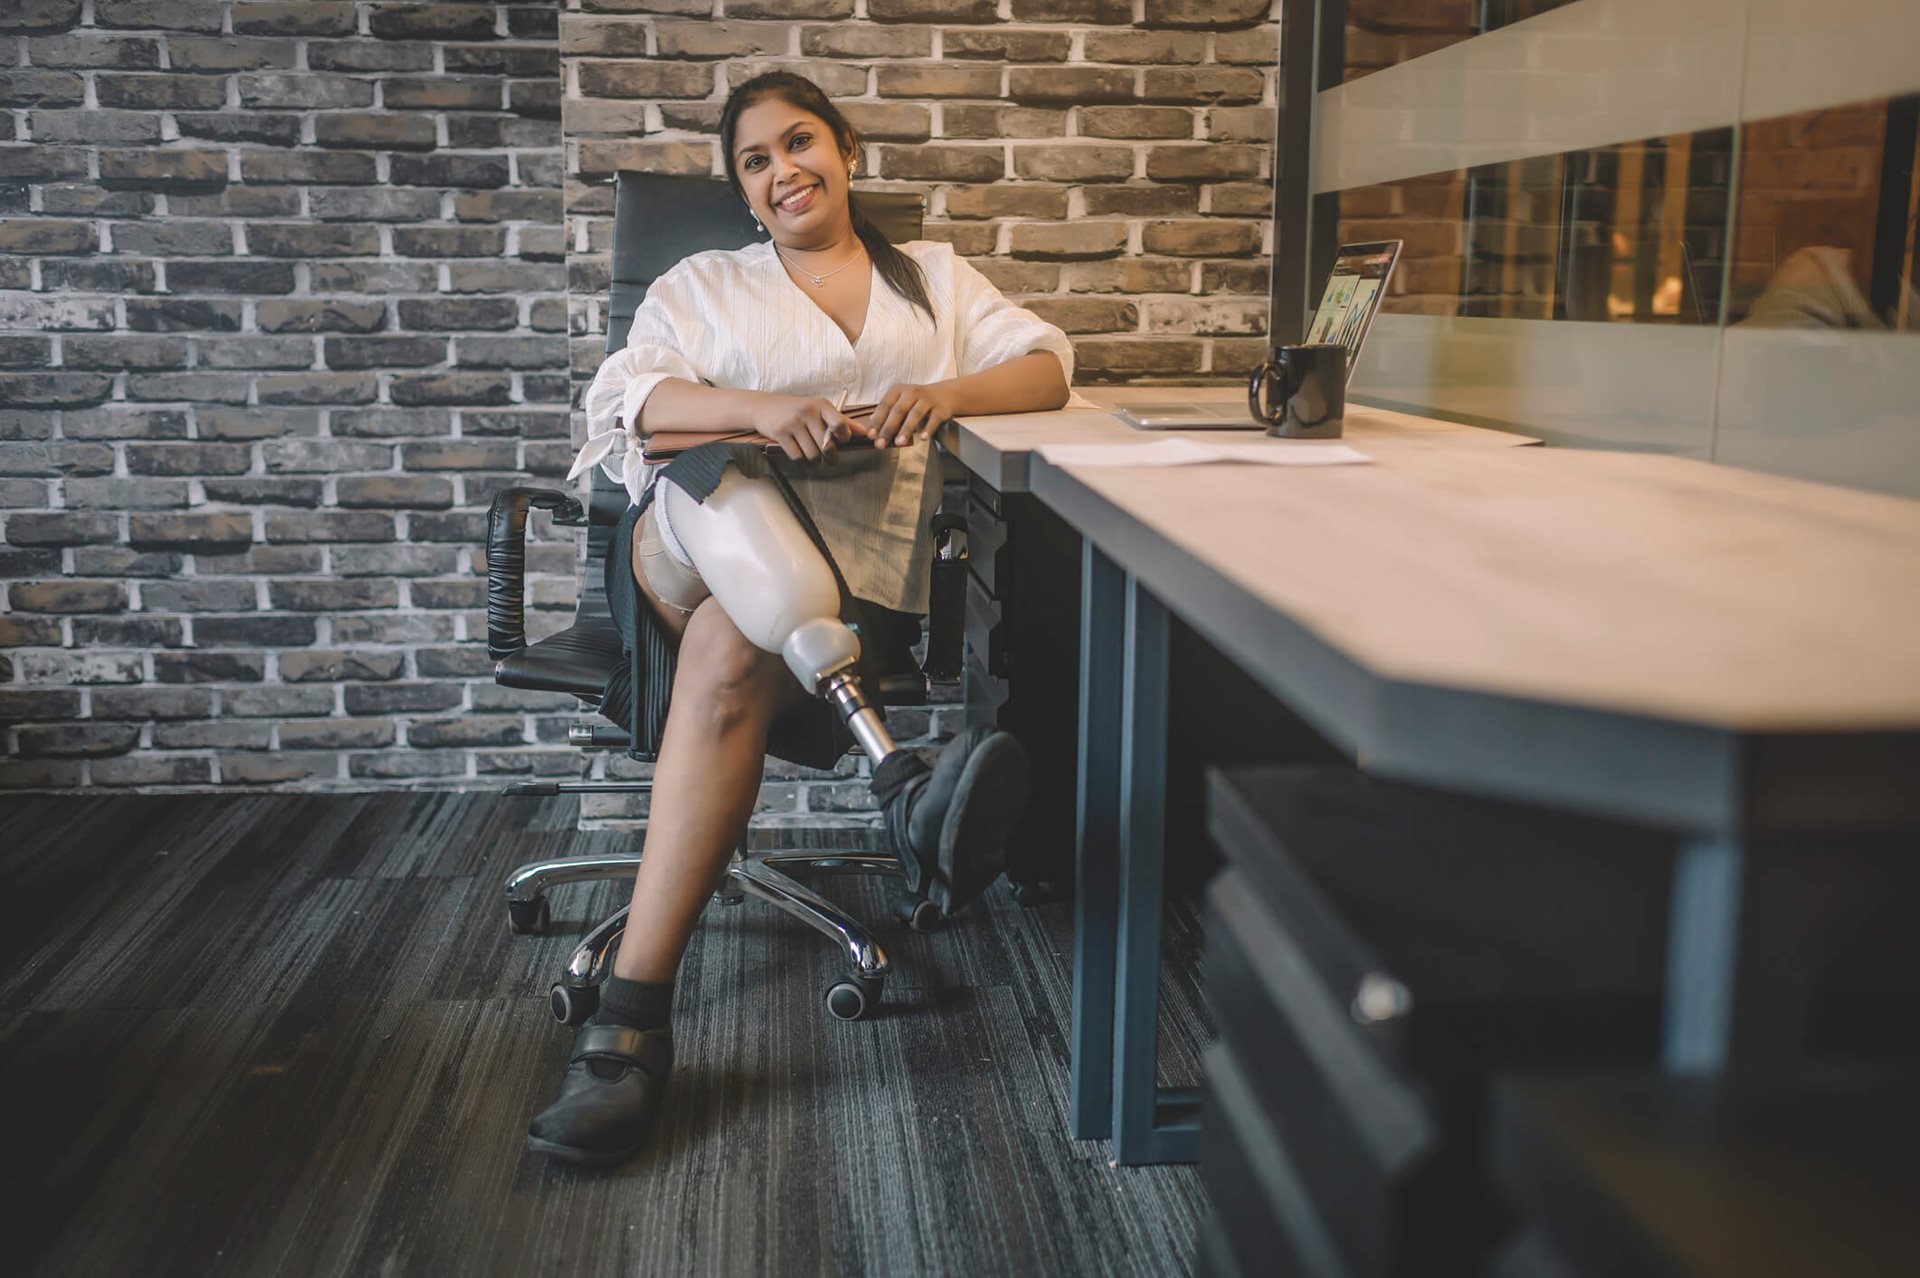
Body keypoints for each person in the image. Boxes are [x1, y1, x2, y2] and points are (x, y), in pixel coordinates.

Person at [526, 71, 1075, 1166]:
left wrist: (948, 396)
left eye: (801, 142)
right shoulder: (702, 285)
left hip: (840, 590)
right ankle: (899, 789)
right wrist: (761, 412)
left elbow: (1052, 366)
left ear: (849, 152)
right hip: (680, 557)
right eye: (756, 160)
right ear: (742, 191)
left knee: (742, 636)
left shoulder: (934, 283)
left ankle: (627, 1032)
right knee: (723, 544)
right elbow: (628, 404)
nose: (784, 171)